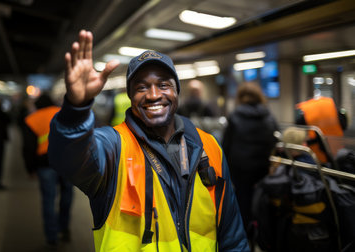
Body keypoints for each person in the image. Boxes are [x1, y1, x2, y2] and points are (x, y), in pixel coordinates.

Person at [48, 30, 249, 251]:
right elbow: (69, 158)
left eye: (163, 85)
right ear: (131, 97)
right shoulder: (113, 147)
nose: (153, 95)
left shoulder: (208, 147)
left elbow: (232, 234)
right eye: (141, 87)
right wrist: (76, 109)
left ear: (176, 91)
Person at [221, 81, 279, 232]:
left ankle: (245, 234)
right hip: (263, 169)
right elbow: (275, 141)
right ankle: (263, 232)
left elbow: (226, 145)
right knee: (262, 201)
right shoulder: (268, 116)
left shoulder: (235, 116)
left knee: (243, 202)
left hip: (241, 170)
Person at [22, 93, 73, 246]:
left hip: (45, 164)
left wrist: (30, 169)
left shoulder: (31, 120)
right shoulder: (64, 115)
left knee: (48, 200)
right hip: (67, 163)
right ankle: (64, 228)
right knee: (67, 196)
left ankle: (52, 236)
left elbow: (28, 148)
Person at [295, 93, 347, 165]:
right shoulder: (331, 105)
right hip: (335, 144)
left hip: (317, 149)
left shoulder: (308, 109)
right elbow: (344, 124)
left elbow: (298, 125)